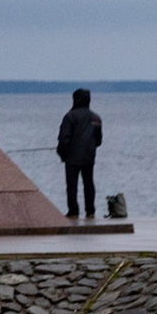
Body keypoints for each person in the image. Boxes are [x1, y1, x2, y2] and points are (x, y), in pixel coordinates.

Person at [56, 87, 103, 219]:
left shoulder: (70, 116)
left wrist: (61, 153)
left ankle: (73, 211)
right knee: (89, 184)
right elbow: (98, 141)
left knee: (72, 185)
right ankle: (90, 211)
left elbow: (63, 138)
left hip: (71, 157)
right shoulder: (96, 118)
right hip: (89, 156)